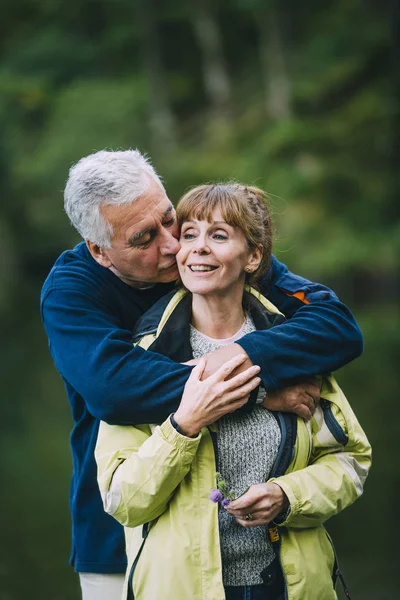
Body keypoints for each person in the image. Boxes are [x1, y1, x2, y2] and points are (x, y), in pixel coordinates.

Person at [40, 150, 363, 600]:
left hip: (261, 552)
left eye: (169, 218)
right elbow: (114, 387)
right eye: (144, 238)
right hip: (117, 540)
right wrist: (255, 391)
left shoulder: (209, 261)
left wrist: (232, 358)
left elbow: (336, 327)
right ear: (101, 251)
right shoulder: (72, 291)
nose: (174, 245)